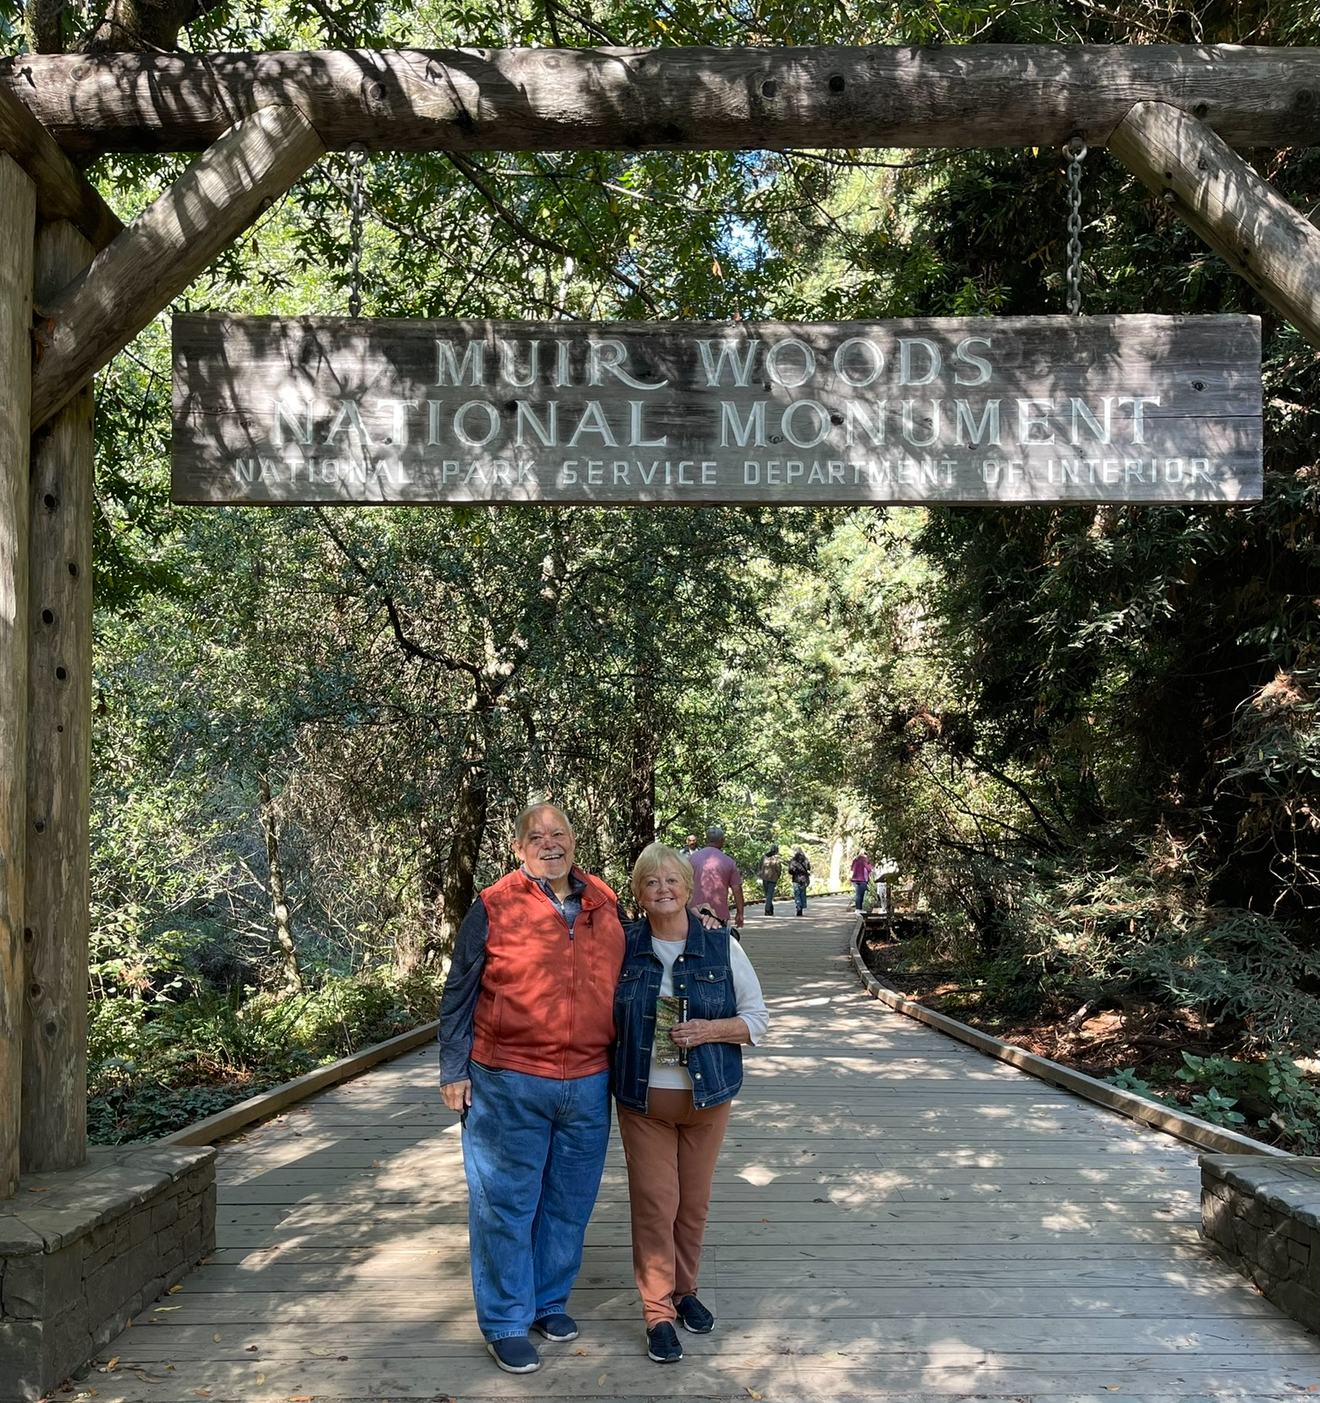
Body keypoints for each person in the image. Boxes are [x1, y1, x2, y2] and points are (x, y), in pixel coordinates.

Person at [438, 803, 626, 1375]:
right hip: (508, 1079)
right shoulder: (493, 907)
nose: (550, 844)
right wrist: (453, 1070)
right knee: (506, 1204)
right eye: (536, 836)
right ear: (519, 847)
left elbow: (637, 962)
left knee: (569, 1203)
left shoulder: (604, 902)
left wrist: (699, 926)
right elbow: (459, 991)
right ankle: (505, 1321)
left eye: (560, 833)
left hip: (589, 1081)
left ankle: (547, 1302)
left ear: (574, 841)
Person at [613, 843, 769, 1364]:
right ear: (638, 893)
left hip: (708, 1099)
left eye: (671, 880)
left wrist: (710, 1029)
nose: (662, 889)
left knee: (693, 1206)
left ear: (689, 886)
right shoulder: (621, 946)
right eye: (651, 882)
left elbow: (757, 1022)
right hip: (644, 1100)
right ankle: (657, 1311)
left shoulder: (723, 946)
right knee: (657, 1205)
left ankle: (687, 1292)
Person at [687, 825, 745, 932]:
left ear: (706, 840)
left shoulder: (691, 859)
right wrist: (740, 913)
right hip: (718, 915)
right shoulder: (728, 862)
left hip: (693, 913)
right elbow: (737, 889)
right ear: (721, 840)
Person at [757, 844, 782, 915]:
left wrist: (760, 874)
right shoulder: (776, 858)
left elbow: (760, 866)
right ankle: (768, 910)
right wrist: (778, 876)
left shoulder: (764, 857)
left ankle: (769, 909)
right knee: (769, 895)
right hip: (772, 878)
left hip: (764, 877)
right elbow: (778, 869)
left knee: (768, 894)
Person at [787, 846, 811, 916]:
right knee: (802, 894)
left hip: (796, 879)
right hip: (804, 879)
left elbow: (790, 870)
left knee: (797, 894)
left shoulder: (793, 860)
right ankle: (802, 906)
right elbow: (809, 868)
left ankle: (798, 905)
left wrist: (795, 872)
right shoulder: (805, 859)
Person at [850, 850, 872, 914]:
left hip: (855, 879)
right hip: (863, 879)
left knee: (857, 894)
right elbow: (869, 869)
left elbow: (851, 869)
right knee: (861, 894)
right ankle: (859, 909)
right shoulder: (865, 860)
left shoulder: (855, 860)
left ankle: (857, 908)